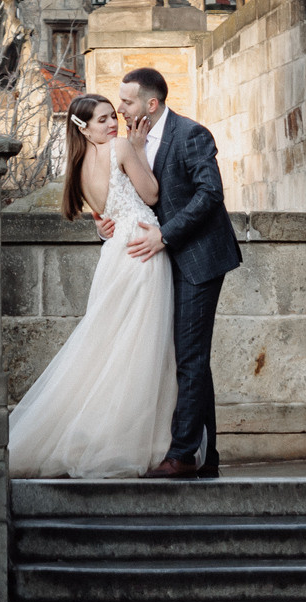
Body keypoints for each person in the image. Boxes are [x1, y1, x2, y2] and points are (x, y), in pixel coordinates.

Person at [7, 95, 177, 478]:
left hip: (115, 253)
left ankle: (103, 433)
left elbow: (105, 215)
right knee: (141, 346)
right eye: (102, 120)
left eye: (112, 116)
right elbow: (151, 194)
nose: (112, 124)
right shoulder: (120, 147)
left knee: (110, 346)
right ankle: (131, 441)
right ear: (84, 127)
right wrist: (135, 147)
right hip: (141, 251)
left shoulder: (77, 166)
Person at [98, 65, 245, 478]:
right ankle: (207, 455)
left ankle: (181, 456)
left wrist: (164, 235)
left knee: (190, 355)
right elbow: (129, 194)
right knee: (190, 357)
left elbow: (210, 194)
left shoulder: (191, 134)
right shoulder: (132, 141)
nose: (120, 109)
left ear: (151, 102)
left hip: (198, 258)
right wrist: (103, 222)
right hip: (161, 264)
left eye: (126, 102)